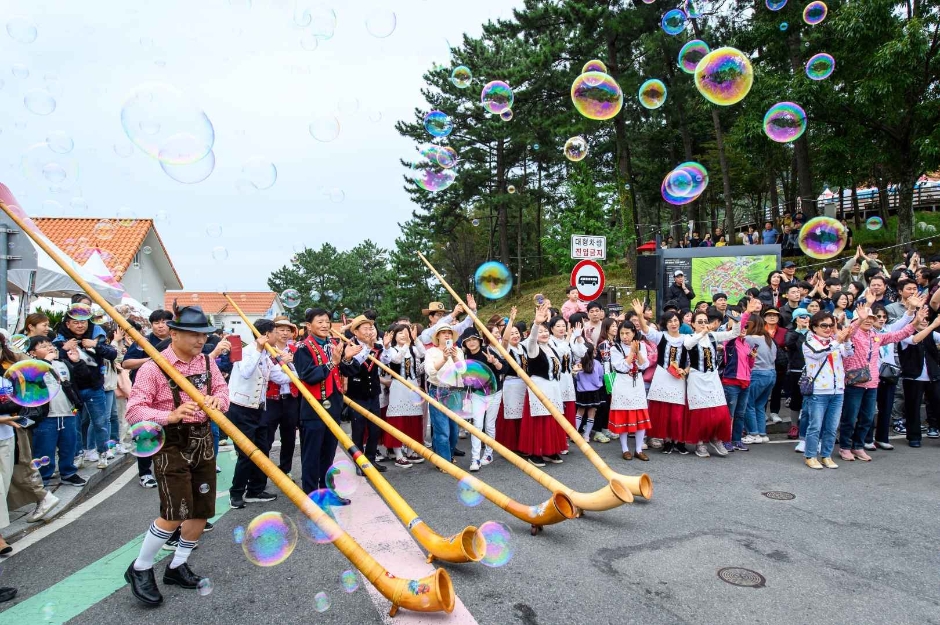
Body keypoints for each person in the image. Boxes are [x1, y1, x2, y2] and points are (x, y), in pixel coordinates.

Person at [124, 305, 230, 606]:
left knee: (202, 509)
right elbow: (134, 411)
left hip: (203, 440)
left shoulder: (208, 364)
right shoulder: (153, 367)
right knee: (175, 511)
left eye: (204, 335)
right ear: (174, 333)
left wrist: (216, 401)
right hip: (170, 442)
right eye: (194, 335)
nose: (200, 341)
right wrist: (170, 415)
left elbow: (224, 394)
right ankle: (140, 568)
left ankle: (177, 565)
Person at [838, 303, 919, 462]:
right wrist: (858, 320)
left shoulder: (875, 336)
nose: (869, 321)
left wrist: (915, 323)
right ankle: (845, 447)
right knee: (850, 417)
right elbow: (848, 333)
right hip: (854, 382)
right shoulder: (853, 333)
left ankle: (858, 446)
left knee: (867, 417)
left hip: (872, 382)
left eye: (871, 318)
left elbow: (897, 335)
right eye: (866, 318)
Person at [294, 308, 363, 491]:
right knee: (311, 455)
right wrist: (333, 362)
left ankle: (327, 491)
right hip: (313, 407)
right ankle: (311, 495)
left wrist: (347, 358)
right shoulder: (303, 348)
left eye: (327, 321)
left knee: (329, 453)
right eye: (320, 321)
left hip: (334, 404)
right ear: (309, 326)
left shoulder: (335, 342)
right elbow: (308, 375)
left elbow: (351, 369)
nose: (325, 325)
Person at [228, 318, 287, 510]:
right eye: (275, 333)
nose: (279, 336)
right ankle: (236, 493)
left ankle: (255, 489)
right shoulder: (244, 352)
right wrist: (259, 349)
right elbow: (245, 372)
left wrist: (292, 368)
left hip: (260, 408)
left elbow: (278, 377)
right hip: (241, 408)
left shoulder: (268, 354)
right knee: (246, 453)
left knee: (263, 449)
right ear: (266, 335)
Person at [54, 303, 117, 470]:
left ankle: (102, 453)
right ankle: (78, 455)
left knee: (100, 422)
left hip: (94, 388)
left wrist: (95, 345)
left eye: (83, 322)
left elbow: (112, 354)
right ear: (68, 324)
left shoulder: (97, 335)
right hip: (71, 391)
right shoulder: (59, 339)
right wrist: (63, 350)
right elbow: (49, 359)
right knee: (74, 425)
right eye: (75, 322)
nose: (80, 325)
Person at [683, 305, 753, 458]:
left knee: (719, 411)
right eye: (699, 322)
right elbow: (688, 345)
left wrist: (736, 319)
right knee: (700, 412)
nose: (703, 324)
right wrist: (702, 332)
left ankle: (716, 438)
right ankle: (700, 442)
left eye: (705, 321)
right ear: (693, 324)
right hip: (697, 378)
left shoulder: (713, 336)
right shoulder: (689, 337)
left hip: (712, 377)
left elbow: (734, 333)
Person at [27, 336, 87, 488]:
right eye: (43, 346)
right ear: (33, 353)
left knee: (69, 445)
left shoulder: (62, 364)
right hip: (46, 416)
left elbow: (83, 379)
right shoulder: (32, 367)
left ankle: (68, 472)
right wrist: (46, 362)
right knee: (44, 448)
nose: (49, 348)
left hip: (67, 412)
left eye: (50, 345)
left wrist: (77, 362)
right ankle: (43, 479)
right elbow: (32, 383)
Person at [801, 312, 854, 469]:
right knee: (815, 426)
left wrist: (847, 338)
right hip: (818, 391)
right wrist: (838, 340)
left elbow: (849, 353)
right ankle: (810, 455)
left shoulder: (835, 341)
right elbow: (819, 354)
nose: (828, 328)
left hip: (837, 390)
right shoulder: (809, 342)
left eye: (831, 325)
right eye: (824, 325)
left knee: (831, 427)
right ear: (814, 327)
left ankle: (826, 455)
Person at [635, 307, 689, 454]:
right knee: (664, 411)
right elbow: (646, 330)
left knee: (678, 412)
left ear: (680, 322)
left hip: (678, 377)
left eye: (676, 320)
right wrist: (640, 315)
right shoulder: (660, 336)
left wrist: (685, 370)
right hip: (662, 376)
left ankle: (679, 440)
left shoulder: (686, 339)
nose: (673, 324)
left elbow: (692, 359)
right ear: (665, 323)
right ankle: (667, 440)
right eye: (670, 321)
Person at [519, 304, 567, 466]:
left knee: (552, 420)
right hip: (539, 388)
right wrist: (536, 324)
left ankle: (550, 450)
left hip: (553, 388)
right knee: (539, 422)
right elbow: (532, 339)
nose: (544, 333)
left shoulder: (551, 347)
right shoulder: (533, 348)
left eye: (546, 330)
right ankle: (535, 453)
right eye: (541, 331)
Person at [345, 315, 389, 473]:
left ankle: (371, 459)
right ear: (355, 332)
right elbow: (352, 366)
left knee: (375, 429)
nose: (370, 331)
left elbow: (386, 362)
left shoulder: (378, 346)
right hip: (357, 394)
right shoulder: (349, 345)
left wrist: (386, 347)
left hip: (374, 393)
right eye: (365, 328)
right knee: (358, 430)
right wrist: (368, 347)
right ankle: (359, 463)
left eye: (371, 328)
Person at [459, 327, 507, 471]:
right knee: (477, 426)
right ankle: (475, 458)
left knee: (490, 425)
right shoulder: (464, 356)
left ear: (479, 340)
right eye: (468, 340)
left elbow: (504, 369)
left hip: (494, 392)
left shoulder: (487, 351)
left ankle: (488, 454)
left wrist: (495, 362)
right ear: (465, 343)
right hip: (477, 394)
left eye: (474, 339)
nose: (472, 343)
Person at [259, 316, 301, 477]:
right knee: (266, 438)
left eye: (287, 330)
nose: (284, 333)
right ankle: (263, 473)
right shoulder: (266, 349)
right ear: (272, 332)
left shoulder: (296, 351)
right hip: (271, 400)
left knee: (289, 437)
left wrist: (292, 362)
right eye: (280, 330)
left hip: (291, 398)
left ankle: (286, 470)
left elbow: (302, 374)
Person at [382, 323, 427, 468]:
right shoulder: (392, 350)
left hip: (413, 385)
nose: (403, 334)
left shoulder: (413, 349)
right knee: (398, 419)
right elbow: (395, 360)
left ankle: (411, 451)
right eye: (400, 332)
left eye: (406, 332)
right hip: (398, 387)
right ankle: (398, 454)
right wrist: (406, 345)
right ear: (394, 335)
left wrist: (416, 340)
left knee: (413, 418)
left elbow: (423, 353)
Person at [608, 320, 651, 461]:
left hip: (637, 383)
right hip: (622, 384)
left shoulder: (642, 345)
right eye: (622, 333)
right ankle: (625, 448)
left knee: (640, 416)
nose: (624, 336)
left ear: (634, 333)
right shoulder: (616, 348)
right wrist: (631, 353)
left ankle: (638, 449)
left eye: (627, 333)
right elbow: (622, 366)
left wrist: (637, 351)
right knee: (624, 417)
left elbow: (643, 364)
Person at [896, 311, 940, 448]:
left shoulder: (932, 334)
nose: (924, 321)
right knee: (912, 408)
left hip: (933, 376)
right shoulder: (905, 335)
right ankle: (914, 437)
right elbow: (915, 340)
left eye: (926, 319)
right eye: (921, 319)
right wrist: (933, 326)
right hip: (913, 377)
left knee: (938, 404)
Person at [424, 324, 466, 463]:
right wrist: (443, 358)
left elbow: (463, 370)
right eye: (443, 333)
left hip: (454, 391)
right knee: (442, 430)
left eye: (449, 333)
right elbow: (430, 371)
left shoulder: (458, 350)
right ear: (437, 336)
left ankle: (449, 455)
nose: (447, 335)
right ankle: (443, 461)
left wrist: (454, 357)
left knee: (454, 431)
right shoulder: (431, 352)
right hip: (437, 390)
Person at [548, 315, 585, 452]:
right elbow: (558, 353)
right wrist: (569, 338)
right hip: (556, 380)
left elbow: (581, 353)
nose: (562, 328)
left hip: (568, 379)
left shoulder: (568, 340)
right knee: (557, 411)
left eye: (563, 325)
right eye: (558, 326)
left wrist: (579, 337)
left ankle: (563, 440)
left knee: (567, 410)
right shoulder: (550, 342)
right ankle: (555, 440)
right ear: (551, 328)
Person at [742, 310, 778, 444]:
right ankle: (762, 433)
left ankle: (753, 433)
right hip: (771, 373)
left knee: (749, 403)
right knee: (760, 405)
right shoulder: (769, 339)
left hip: (756, 373)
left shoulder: (749, 339)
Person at [495, 309, 527, 451]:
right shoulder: (506, 349)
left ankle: (523, 443)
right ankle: (512, 445)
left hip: (525, 385)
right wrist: (511, 321)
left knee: (523, 415)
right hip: (511, 384)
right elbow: (506, 339)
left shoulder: (523, 347)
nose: (515, 335)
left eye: (516, 333)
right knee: (513, 416)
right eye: (512, 333)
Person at [785, 309, 811, 443]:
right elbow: (788, 344)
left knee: (811, 400)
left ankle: (808, 427)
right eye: (802, 317)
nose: (805, 319)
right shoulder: (791, 332)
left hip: (813, 371)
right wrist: (798, 331)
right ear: (796, 319)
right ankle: (794, 426)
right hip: (796, 370)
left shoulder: (814, 333)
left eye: (807, 317)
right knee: (796, 399)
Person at [573, 341, 604, 443]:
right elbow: (601, 376)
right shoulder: (597, 364)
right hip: (594, 392)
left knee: (579, 413)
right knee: (591, 414)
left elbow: (576, 377)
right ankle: (587, 436)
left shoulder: (578, 365)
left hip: (582, 392)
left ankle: (575, 434)